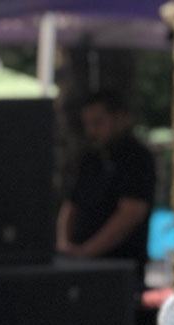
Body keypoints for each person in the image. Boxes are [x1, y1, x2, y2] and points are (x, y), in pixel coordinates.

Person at [57, 90, 156, 271]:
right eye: (88, 124)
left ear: (121, 118)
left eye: (98, 122)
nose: (91, 131)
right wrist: (65, 245)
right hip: (80, 262)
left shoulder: (137, 158)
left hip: (118, 265)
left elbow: (131, 213)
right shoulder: (90, 158)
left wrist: (86, 252)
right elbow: (71, 205)